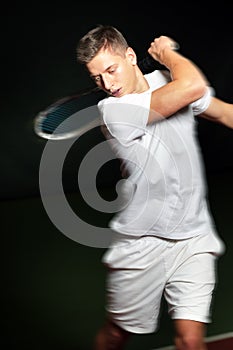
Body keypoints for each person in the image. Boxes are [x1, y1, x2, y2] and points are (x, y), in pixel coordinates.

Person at [76, 25, 233, 350]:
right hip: (142, 243)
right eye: (96, 78)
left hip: (194, 237)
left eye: (111, 69)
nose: (107, 84)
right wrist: (167, 52)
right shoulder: (113, 112)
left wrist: (167, 64)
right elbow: (191, 86)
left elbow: (224, 113)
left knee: (191, 341)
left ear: (130, 56)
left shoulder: (169, 81)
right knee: (117, 333)